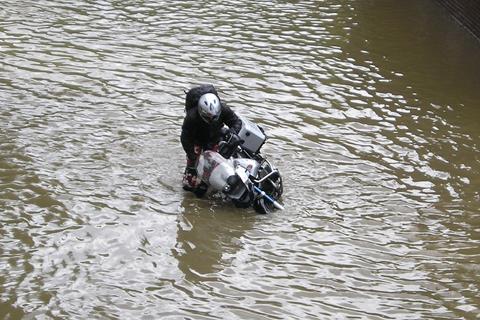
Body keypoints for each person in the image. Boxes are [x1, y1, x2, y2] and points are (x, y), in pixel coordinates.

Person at [181, 86, 242, 193]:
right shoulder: (191, 117)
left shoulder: (223, 109)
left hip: (215, 137)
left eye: (214, 117)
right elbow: (185, 138)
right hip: (197, 140)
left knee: (216, 165)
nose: (211, 120)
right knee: (190, 185)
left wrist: (232, 134)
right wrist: (193, 156)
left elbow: (236, 122)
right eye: (208, 117)